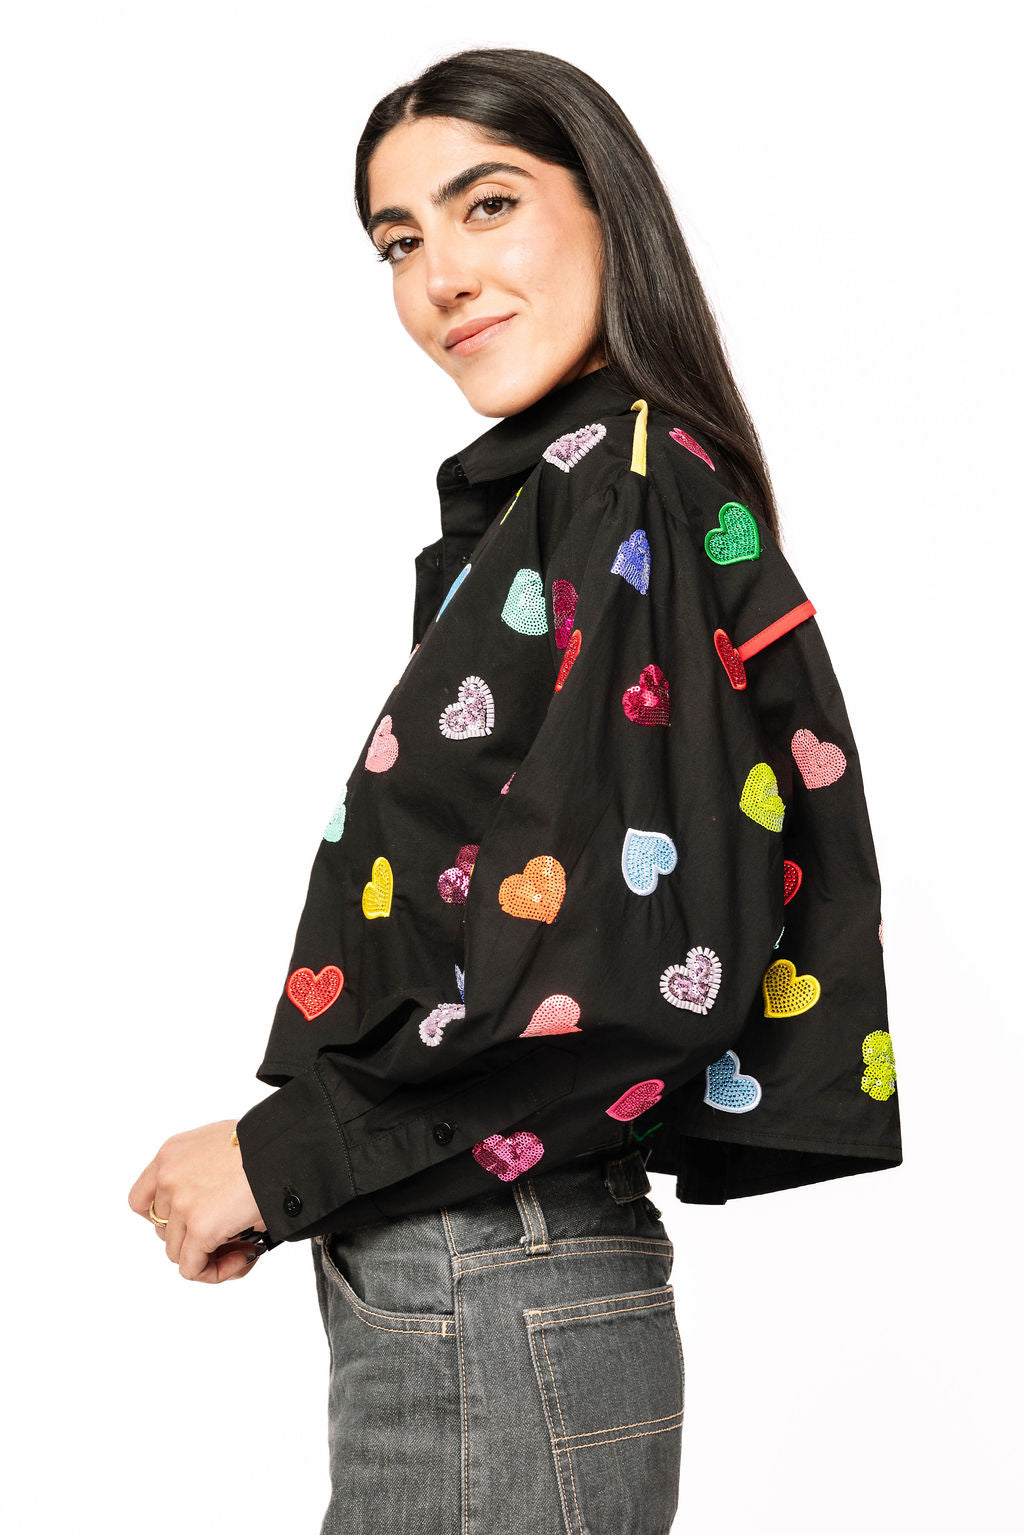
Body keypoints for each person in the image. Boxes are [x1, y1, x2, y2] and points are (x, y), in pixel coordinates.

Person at [128, 46, 902, 1535]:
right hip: (482, 1259)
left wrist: (282, 1157)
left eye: (487, 205)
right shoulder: (575, 495)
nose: (440, 279)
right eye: (398, 241)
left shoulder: (622, 486)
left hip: (496, 1260)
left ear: (608, 205)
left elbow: (629, 970)